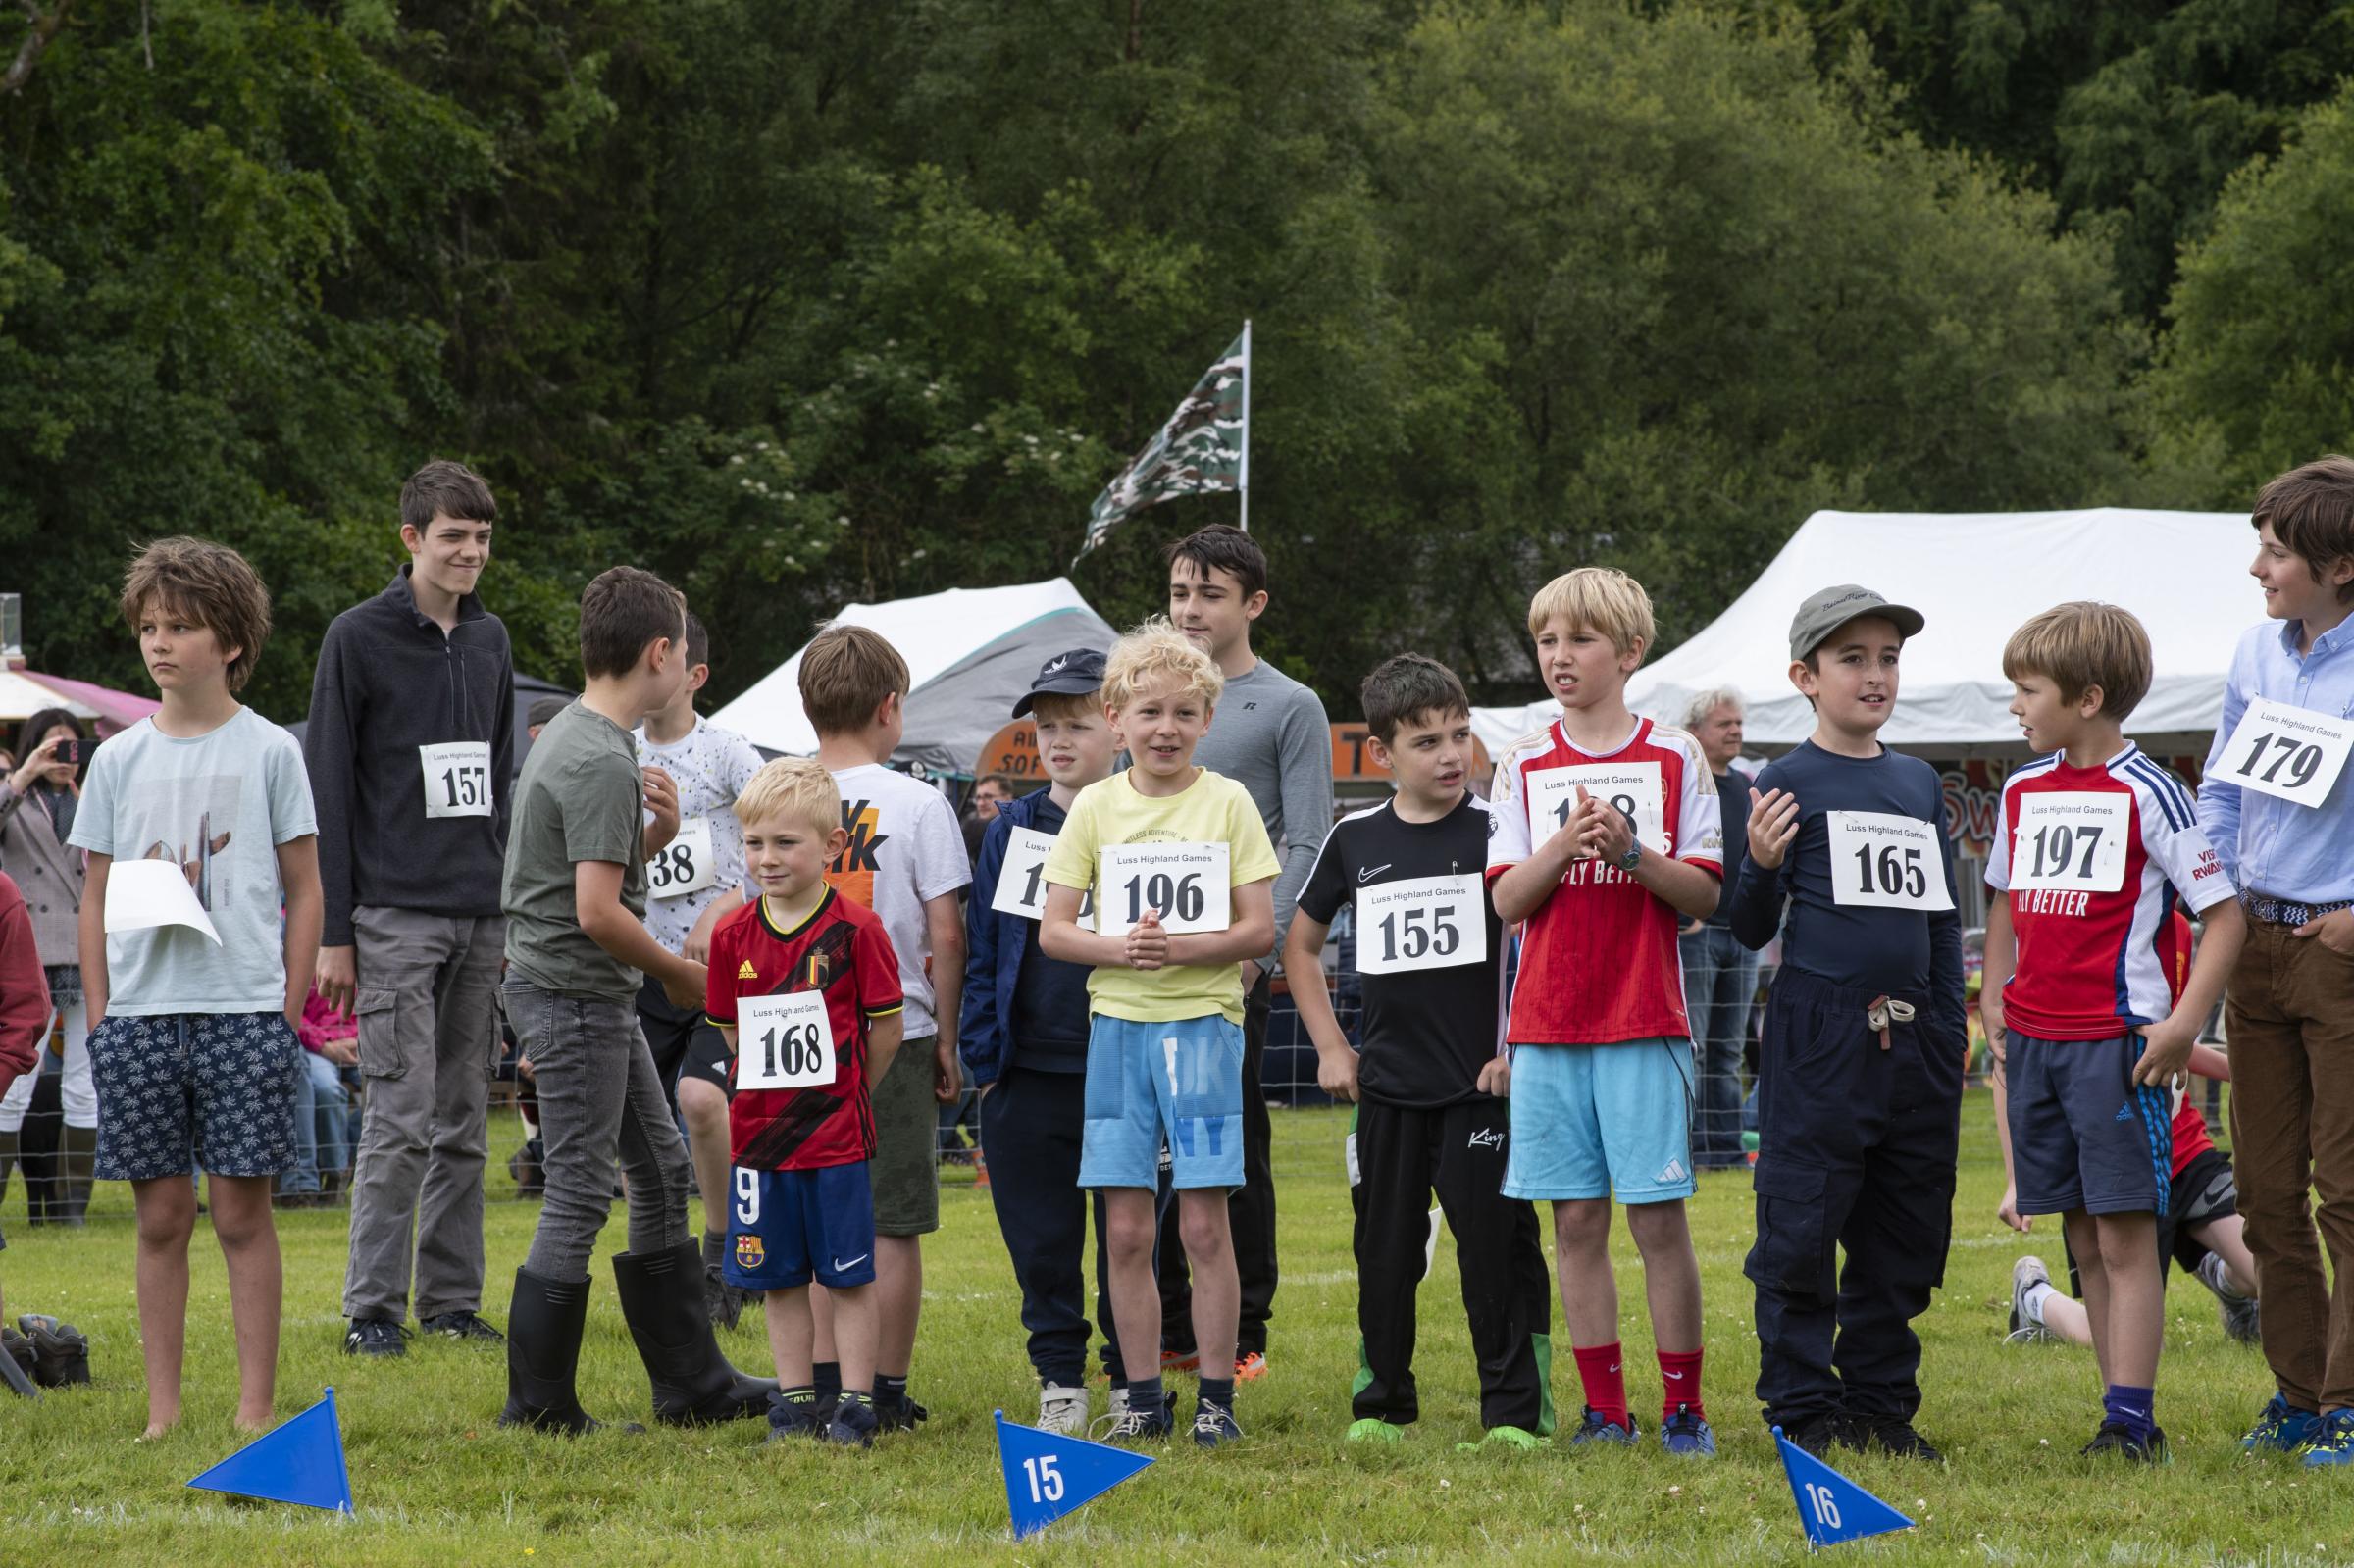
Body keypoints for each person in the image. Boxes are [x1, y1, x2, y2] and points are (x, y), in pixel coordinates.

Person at [494, 566, 768, 1434]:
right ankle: (538, 1407)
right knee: (580, 1189)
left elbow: (586, 871)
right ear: (660, 653)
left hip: (583, 994)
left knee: (658, 1171)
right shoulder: (601, 754)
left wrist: (649, 833)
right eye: (682, 650)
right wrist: (683, 976)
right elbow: (595, 913)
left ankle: (694, 1384)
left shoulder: (579, 737)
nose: (685, 663)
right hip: (573, 995)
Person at [1977, 601, 2244, 1460]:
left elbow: (2225, 916)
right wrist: (1993, 992)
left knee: (2127, 1233)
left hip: (2117, 1047)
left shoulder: (2153, 790)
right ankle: (2114, 1413)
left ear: (2087, 697)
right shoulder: (2021, 788)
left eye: (2028, 690)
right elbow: (2008, 899)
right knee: (2084, 1233)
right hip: (2037, 1047)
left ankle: (2133, 1422)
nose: (2015, 706)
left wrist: (2179, 1026)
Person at [70, 537, 322, 1439]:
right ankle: (163, 1413)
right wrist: (102, 1017)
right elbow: (93, 895)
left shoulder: (270, 752)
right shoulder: (116, 760)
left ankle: (257, 1409)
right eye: (149, 626)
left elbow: (306, 888)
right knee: (161, 1217)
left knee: (241, 1214)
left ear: (233, 640)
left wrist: (282, 1012)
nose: (160, 643)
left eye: (181, 625)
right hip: (138, 1018)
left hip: (243, 1012)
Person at [1287, 654, 1554, 1448]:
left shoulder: (1500, 831)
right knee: (1385, 1250)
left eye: (1461, 734)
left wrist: (1516, 1049)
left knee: (1497, 1252)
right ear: (1382, 755)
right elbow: (1299, 947)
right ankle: (1382, 1403)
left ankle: (1515, 1412)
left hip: (1481, 1085)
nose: (1450, 754)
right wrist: (1333, 1047)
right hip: (1388, 1090)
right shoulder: (1354, 838)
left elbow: (1536, 946)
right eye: (1427, 740)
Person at [1487, 569, 1723, 1455]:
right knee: (1575, 1222)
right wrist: (1562, 842)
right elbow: (1509, 902)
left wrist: (1631, 853)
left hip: (1643, 1022)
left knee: (1658, 1219)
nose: (1559, 656)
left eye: (1579, 640)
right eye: (1547, 640)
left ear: (1629, 652)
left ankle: (1685, 1409)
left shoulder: (1674, 756)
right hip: (1546, 1028)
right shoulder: (1522, 760)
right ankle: (1604, 1412)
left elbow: (1700, 894)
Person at [1727, 584, 1966, 1460]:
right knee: (1802, 1222)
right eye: (1853, 658)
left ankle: (1878, 1402)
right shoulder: (1784, 779)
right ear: (1806, 675)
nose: (1876, 675)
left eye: (1889, 658)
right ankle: (1801, 1404)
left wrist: (1947, 1023)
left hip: (1916, 1038)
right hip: (1820, 1029)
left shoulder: (1914, 783)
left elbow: (1940, 918)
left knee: (1903, 1226)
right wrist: (1756, 862)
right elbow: (1751, 923)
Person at [1040, 619, 1279, 1447]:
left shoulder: (1230, 800)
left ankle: (1217, 1394)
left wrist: (1178, 949)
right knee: (1128, 1227)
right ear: (1117, 718)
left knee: (1205, 1223)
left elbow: (1259, 929)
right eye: (1148, 713)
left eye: (1184, 713)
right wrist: (1121, 948)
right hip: (1119, 1035)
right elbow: (1054, 930)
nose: (1165, 728)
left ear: (1207, 720)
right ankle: (1139, 1393)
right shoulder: (1097, 808)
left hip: (1205, 1030)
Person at [306, 460, 514, 1355]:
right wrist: (335, 931)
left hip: (480, 910)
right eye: (453, 537)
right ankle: (372, 1310)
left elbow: (500, 775)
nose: (469, 553)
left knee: (467, 1112)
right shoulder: (357, 637)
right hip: (392, 912)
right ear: (411, 540)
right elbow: (328, 792)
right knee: (400, 1113)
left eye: (481, 539)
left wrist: (504, 904)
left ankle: (453, 1300)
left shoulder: (493, 639)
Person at [2193, 456, 2354, 1464]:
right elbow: (2220, 788)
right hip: (2254, 942)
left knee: (2347, 1190)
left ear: (2342, 566)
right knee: (2262, 1192)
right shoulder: (2256, 652)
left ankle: (2347, 1403)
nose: (2259, 567)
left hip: (2337, 949)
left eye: (2279, 551)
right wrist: (2219, 894)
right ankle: (2298, 1394)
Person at [1164, 523, 1331, 1381]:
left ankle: (1245, 1325)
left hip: (1234, 967)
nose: (1190, 610)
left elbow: (1307, 840)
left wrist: (1259, 951)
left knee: (1230, 1143)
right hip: (1144, 970)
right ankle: (1160, 1323)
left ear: (1253, 604)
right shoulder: (1147, 694)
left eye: (1211, 594)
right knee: (1144, 1147)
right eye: (1181, 591)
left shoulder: (1290, 705)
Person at [961, 648, 1140, 1434]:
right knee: (1042, 1241)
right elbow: (984, 947)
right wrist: (985, 1062)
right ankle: (1059, 1377)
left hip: (1123, 1058)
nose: (1059, 740)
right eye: (1046, 727)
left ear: (1118, 725)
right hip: (1027, 1069)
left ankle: (1134, 1378)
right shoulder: (1013, 828)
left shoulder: (1147, 820)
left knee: (1132, 1237)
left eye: (1077, 722)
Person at [799, 624, 970, 1431]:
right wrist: (946, 1036)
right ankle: (888, 1388)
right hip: (890, 1022)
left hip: (794, 1029)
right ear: (890, 708)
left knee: (812, 1209)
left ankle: (825, 1380)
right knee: (892, 1217)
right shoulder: (918, 801)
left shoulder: (779, 791)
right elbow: (946, 933)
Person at [706, 758, 905, 1446]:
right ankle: (792, 1405)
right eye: (755, 842)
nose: (767, 857)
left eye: (785, 843)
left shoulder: (858, 931)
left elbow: (887, 1030)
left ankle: (855, 1402)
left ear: (830, 846)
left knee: (848, 1276)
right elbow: (732, 1032)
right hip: (758, 1145)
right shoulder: (731, 937)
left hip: (837, 1141)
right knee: (778, 1277)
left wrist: (846, 1097)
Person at [633, 610, 764, 1327]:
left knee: (705, 1103)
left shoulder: (730, 753)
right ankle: (660, 1269)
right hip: (644, 970)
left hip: (725, 970)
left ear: (694, 674)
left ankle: (724, 1254)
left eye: (663, 659)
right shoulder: (617, 749)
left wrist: (727, 906)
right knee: (639, 1128)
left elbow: (781, 833)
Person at [0, 708, 96, 1225]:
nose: (66, 758)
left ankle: (70, 1208)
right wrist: (24, 773)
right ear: (37, 746)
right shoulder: (18, 795)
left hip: (85, 953)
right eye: (55, 747)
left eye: (73, 748)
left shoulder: (91, 800)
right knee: (15, 1078)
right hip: (30, 954)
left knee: (84, 1082)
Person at [2, 861, 92, 1398]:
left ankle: (68, 1207)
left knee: (78, 1091)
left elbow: (23, 1013)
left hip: (72, 948)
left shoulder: (3, 894)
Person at [1674, 688, 1755, 1170]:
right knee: (1696, 1046)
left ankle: (1725, 1150)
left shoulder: (1746, 786)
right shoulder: (1687, 784)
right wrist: (1684, 913)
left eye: (1739, 723)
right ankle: (1690, 1148)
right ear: (1696, 730)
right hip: (1697, 934)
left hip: (1739, 935)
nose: (1735, 731)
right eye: (1724, 724)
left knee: (1729, 1049)